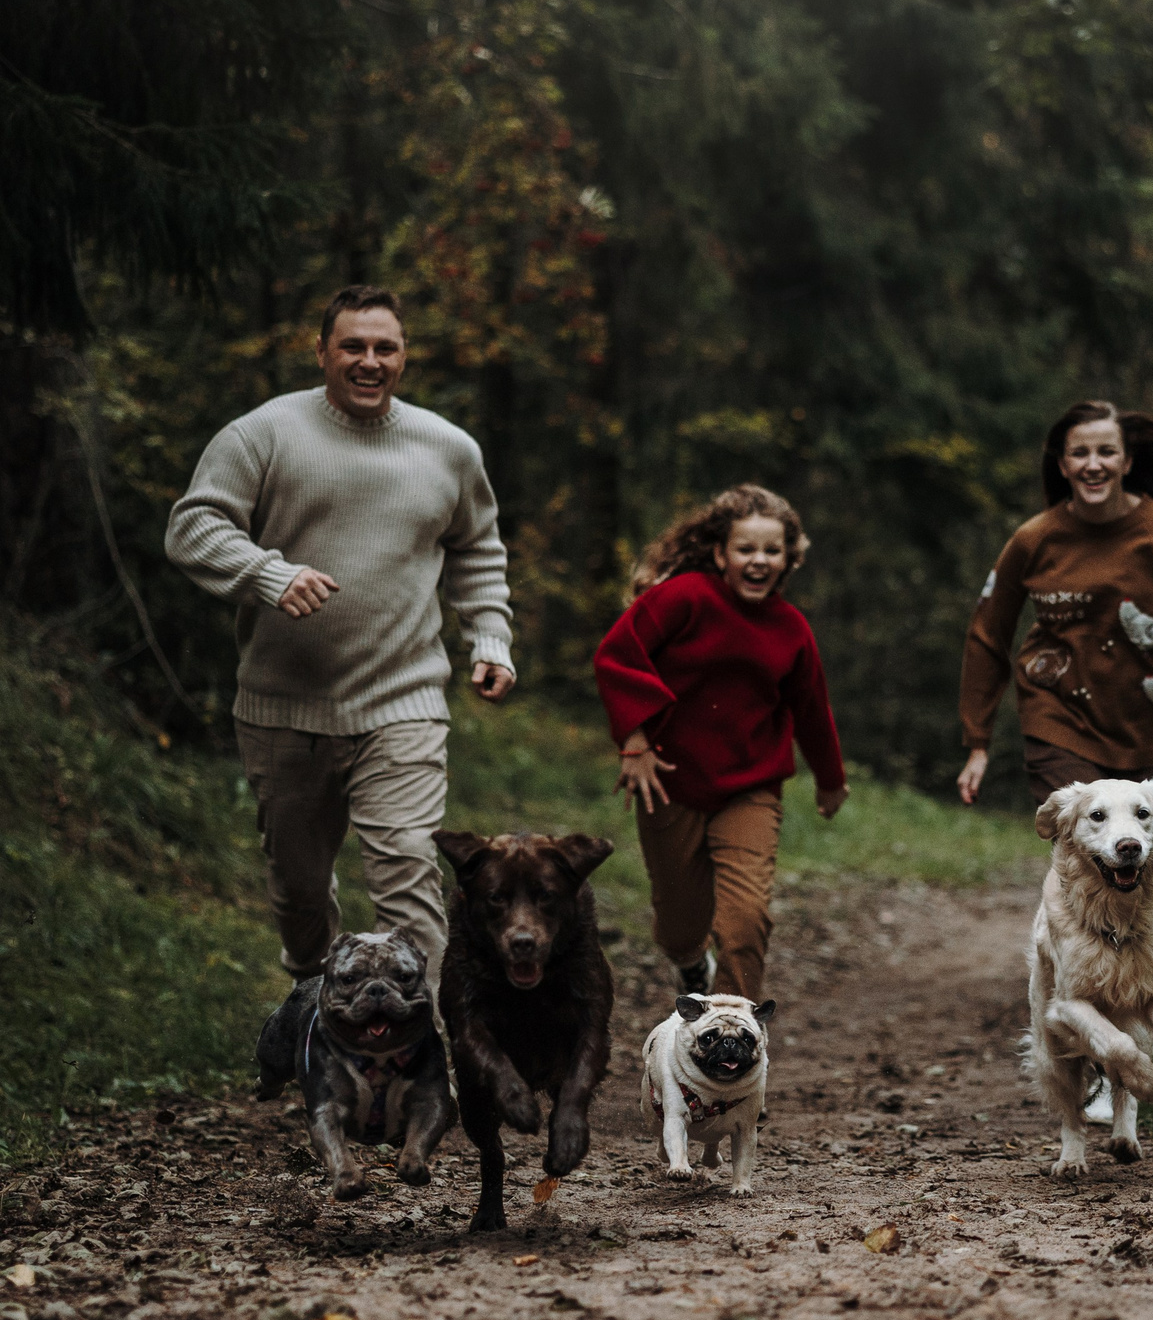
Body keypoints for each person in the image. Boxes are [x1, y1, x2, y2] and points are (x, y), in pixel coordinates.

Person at [165, 284, 516, 978]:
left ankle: (422, 1038)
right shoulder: (264, 434)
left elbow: (477, 548)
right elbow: (193, 527)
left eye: (385, 348)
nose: (369, 361)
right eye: (353, 346)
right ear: (322, 351)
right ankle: (317, 1002)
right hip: (282, 707)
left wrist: (490, 638)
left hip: (404, 700)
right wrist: (269, 574)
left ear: (404, 356)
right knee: (298, 893)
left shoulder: (448, 449)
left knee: (410, 874)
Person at [593, 484, 847, 1003]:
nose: (759, 560)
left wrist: (830, 780)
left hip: (751, 788)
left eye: (772, 550)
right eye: (745, 549)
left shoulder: (791, 629)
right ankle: (691, 964)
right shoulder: (684, 598)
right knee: (680, 925)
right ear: (719, 554)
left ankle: (732, 1025)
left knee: (746, 918)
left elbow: (812, 709)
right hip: (670, 781)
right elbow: (617, 656)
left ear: (788, 560)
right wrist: (635, 744)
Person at [956, 399, 1153, 850]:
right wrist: (978, 741)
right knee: (1087, 862)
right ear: (1062, 465)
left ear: (1127, 462)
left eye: (1106, 452)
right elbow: (988, 634)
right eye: (1079, 453)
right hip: (1060, 721)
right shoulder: (1033, 539)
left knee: (1149, 881)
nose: (1093, 465)